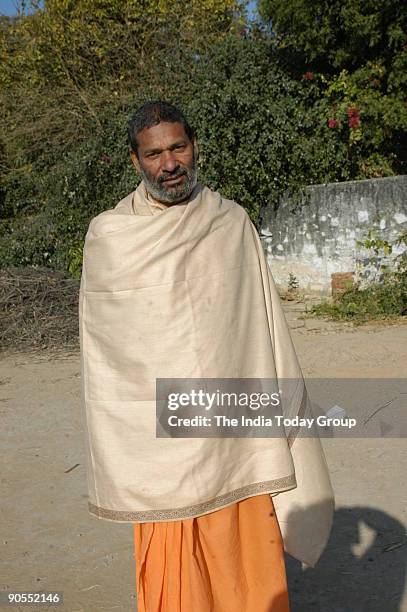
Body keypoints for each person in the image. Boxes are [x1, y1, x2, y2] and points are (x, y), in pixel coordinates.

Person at [79, 101, 334, 611]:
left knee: (246, 551)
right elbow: (108, 356)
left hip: (235, 428)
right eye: (154, 154)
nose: (169, 163)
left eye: (179, 147)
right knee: (176, 563)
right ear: (135, 161)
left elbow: (260, 326)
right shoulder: (111, 236)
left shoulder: (230, 222)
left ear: (194, 147)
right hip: (161, 440)